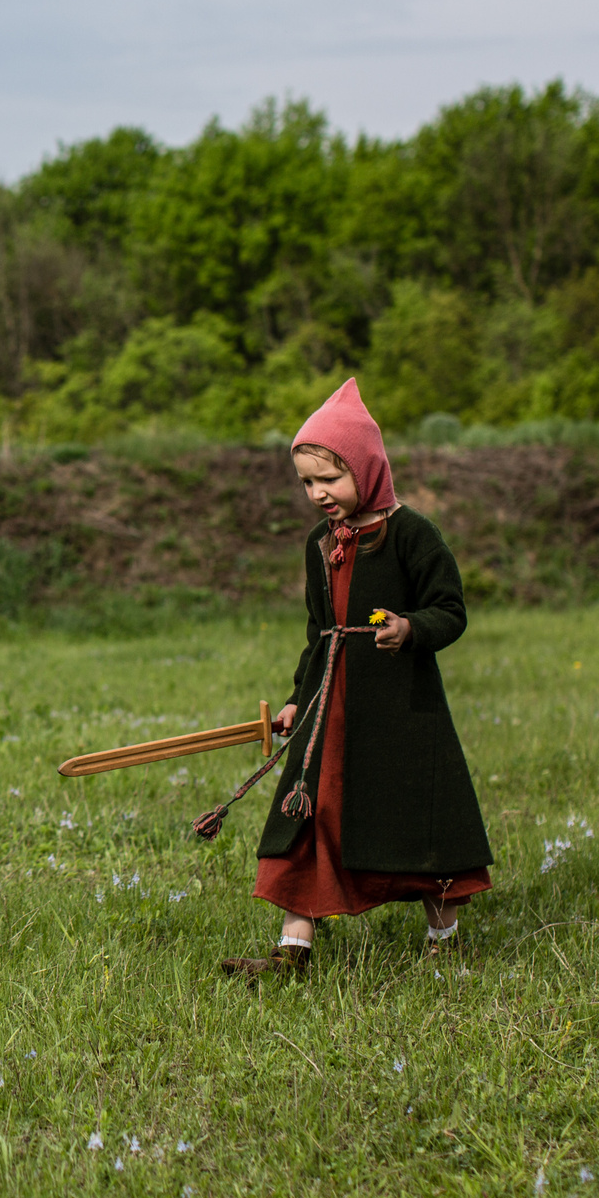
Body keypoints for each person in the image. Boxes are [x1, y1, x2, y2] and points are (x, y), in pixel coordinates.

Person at [222, 379, 493, 983]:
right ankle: (293, 952)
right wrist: (298, 698)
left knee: (412, 822)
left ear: (366, 469)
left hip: (398, 713)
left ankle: (444, 940)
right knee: (308, 814)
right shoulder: (320, 545)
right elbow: (320, 632)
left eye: (330, 479)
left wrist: (409, 627)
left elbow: (450, 610)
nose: (318, 494)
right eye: (307, 483)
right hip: (330, 713)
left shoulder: (412, 534)